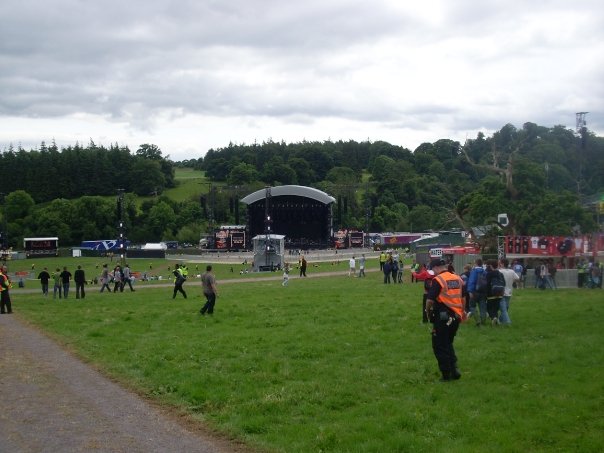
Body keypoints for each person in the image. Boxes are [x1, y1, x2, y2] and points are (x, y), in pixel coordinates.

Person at [425, 258, 465, 381]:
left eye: (433, 270)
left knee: (439, 345)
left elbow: (430, 300)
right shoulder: (457, 278)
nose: (433, 272)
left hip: (443, 318)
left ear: (436, 268)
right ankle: (454, 369)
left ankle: (446, 374)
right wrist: (462, 312)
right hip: (456, 317)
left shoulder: (438, 280)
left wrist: (427, 312)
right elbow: (463, 297)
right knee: (448, 343)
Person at [498, 258, 520, 324]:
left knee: (504, 309)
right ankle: (501, 320)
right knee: (506, 307)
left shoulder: (500, 271)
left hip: (501, 291)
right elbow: (517, 278)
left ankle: (507, 322)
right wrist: (512, 281)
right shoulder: (512, 271)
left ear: (502, 264)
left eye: (500, 263)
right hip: (509, 291)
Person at [467, 258, 487, 326]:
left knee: (472, 306)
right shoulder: (485, 272)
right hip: (483, 292)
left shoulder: (474, 271)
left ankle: (477, 320)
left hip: (474, 292)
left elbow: (471, 281)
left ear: (475, 263)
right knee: (482, 307)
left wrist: (470, 291)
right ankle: (483, 321)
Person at [485, 259, 505, 325]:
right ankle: (496, 320)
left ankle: (493, 317)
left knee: (489, 308)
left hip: (491, 294)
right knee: (496, 308)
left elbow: (487, 284)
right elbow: (504, 283)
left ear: (490, 266)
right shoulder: (500, 274)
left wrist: (486, 293)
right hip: (499, 293)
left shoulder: (489, 274)